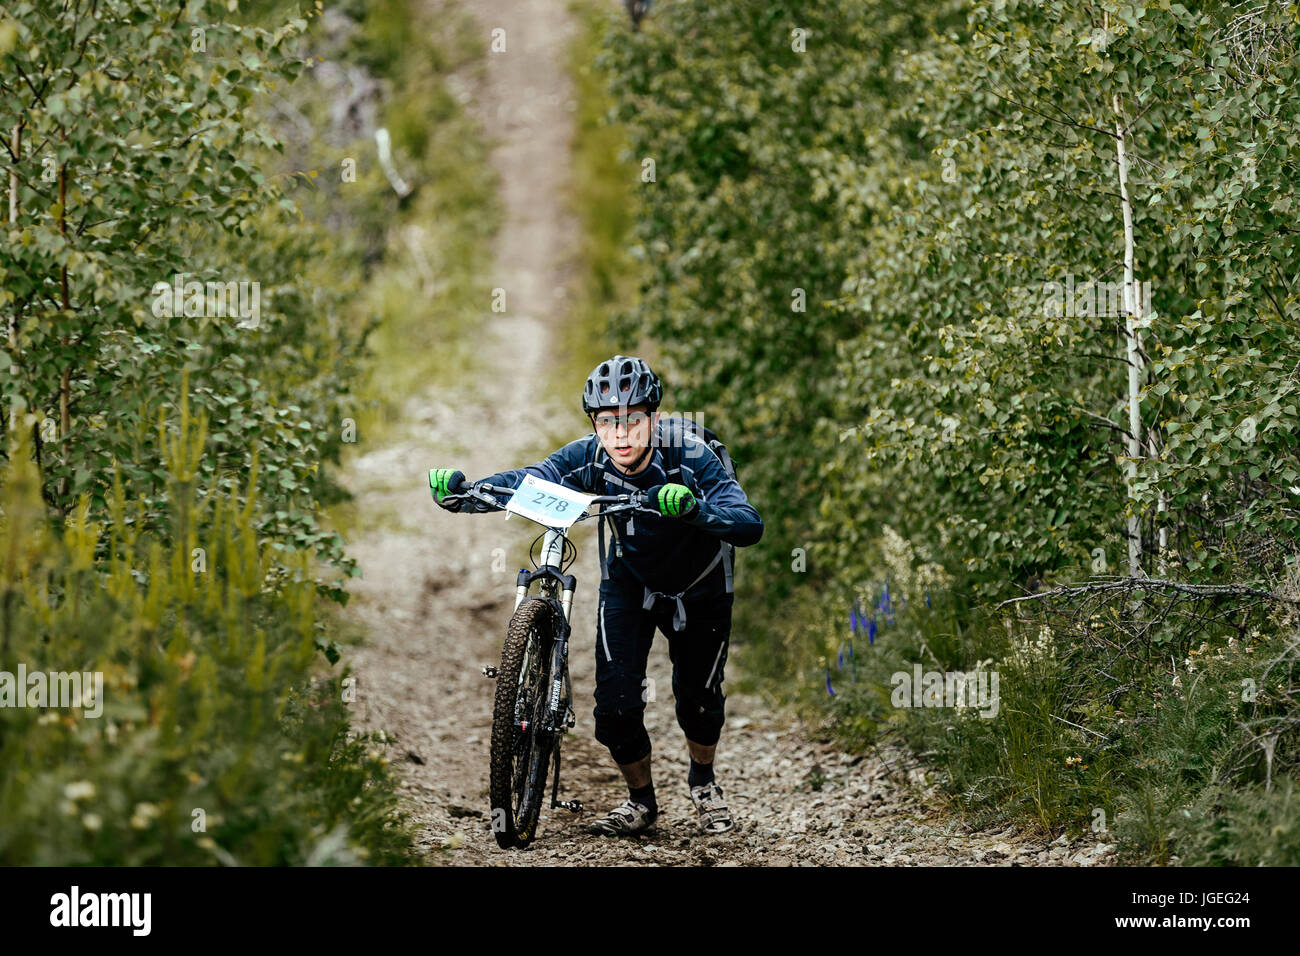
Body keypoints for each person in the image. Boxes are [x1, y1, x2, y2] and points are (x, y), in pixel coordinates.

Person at [428, 355, 763, 836]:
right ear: (595, 424)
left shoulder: (690, 456)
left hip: (700, 586)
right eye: (608, 422)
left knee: (699, 702)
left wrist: (693, 509)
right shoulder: (588, 456)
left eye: (632, 420)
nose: (620, 433)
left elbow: (748, 523)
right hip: (630, 583)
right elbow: (531, 480)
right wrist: (466, 491)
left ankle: (703, 782)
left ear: (654, 419)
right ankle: (642, 802)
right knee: (614, 709)